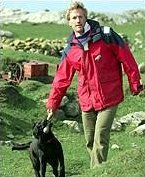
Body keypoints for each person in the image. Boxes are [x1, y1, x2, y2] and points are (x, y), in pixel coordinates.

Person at [46, 1, 143, 169]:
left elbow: (126, 58)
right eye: (74, 17)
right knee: (90, 140)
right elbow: (61, 79)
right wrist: (53, 104)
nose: (78, 20)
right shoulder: (70, 48)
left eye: (81, 16)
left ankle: (96, 171)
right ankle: (99, 169)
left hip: (109, 96)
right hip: (86, 99)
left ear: (86, 18)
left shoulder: (106, 35)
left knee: (100, 137)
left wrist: (134, 83)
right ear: (69, 21)